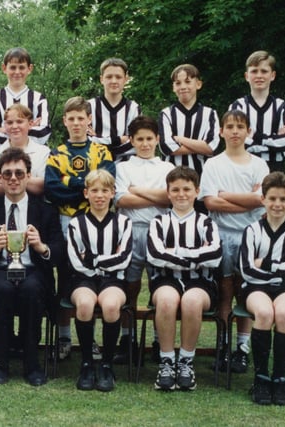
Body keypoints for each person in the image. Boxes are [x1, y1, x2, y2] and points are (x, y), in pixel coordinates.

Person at [0, 148, 63, 386]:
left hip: (34, 271)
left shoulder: (46, 209)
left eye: (19, 173)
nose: (13, 179)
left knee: (31, 290)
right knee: (3, 290)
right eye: (7, 173)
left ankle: (32, 364)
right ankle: (1, 362)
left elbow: (60, 249)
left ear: (29, 176)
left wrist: (41, 247)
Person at [44, 96, 115, 361]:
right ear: (65, 121)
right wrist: (85, 187)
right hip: (67, 220)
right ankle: (64, 337)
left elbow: (106, 183)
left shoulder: (101, 152)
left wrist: (70, 181)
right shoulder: (57, 153)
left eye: (80, 118)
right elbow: (53, 191)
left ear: (89, 121)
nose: (76, 123)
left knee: (95, 276)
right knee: (66, 276)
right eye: (71, 118)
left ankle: (91, 339)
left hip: (98, 222)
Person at [199, 110, 269, 373]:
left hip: (251, 236)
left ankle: (242, 348)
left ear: (248, 131)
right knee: (225, 290)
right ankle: (224, 344)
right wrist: (246, 200)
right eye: (230, 126)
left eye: (240, 126)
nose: (235, 131)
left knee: (245, 291)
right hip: (221, 235)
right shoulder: (214, 164)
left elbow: (261, 199)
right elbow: (210, 202)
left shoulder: (259, 165)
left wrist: (227, 196)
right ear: (221, 131)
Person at [146, 166, 222, 391]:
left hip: (200, 282)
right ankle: (167, 361)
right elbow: (155, 255)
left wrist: (175, 252)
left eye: (187, 189)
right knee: (168, 300)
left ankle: (186, 361)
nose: (181, 194)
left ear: (197, 191)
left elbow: (215, 256)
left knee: (191, 301)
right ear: (168, 193)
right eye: (175, 189)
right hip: (165, 280)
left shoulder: (207, 222)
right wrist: (196, 254)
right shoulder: (158, 222)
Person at [240, 172, 285, 406]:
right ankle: (260, 378)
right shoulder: (252, 230)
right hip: (255, 288)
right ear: (263, 200)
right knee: (265, 313)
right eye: (272, 199)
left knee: (284, 313)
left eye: (282, 199)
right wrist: (283, 273)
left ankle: (279, 377)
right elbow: (247, 270)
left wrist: (267, 264)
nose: (277, 204)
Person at [113, 115, 174, 364]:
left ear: (157, 139)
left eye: (149, 139)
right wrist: (154, 196)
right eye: (140, 139)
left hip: (161, 230)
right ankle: (128, 338)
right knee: (130, 284)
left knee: (159, 284)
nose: (145, 144)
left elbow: (169, 198)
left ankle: (160, 340)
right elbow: (121, 200)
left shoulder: (167, 168)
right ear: (132, 141)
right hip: (130, 228)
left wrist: (136, 190)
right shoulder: (123, 167)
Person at [67, 169, 132, 392]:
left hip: (114, 279)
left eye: (105, 190)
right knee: (85, 304)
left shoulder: (124, 223)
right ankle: (86, 363)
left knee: (111, 306)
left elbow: (123, 259)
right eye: (94, 190)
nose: (100, 195)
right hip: (82, 279)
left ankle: (106, 364)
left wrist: (93, 258)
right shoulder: (76, 223)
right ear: (86, 193)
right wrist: (106, 259)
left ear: (113, 193)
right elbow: (76, 260)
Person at [229, 50, 285, 172]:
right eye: (254, 71)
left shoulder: (282, 106)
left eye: (264, 71)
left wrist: (255, 137)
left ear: (273, 75)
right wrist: (274, 139)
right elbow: (235, 141)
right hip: (244, 169)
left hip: (275, 170)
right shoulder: (237, 106)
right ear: (247, 76)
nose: (259, 76)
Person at [158, 64, 219, 180]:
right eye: (178, 83)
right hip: (172, 177)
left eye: (187, 81)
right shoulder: (166, 113)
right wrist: (201, 146)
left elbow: (212, 147)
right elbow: (166, 147)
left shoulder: (210, 113)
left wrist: (180, 139)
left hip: (203, 176)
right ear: (173, 87)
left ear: (198, 84)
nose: (183, 86)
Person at [0, 47, 51, 147]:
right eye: (13, 67)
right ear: (4, 68)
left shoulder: (39, 99)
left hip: (33, 157)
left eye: (22, 67)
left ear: (29, 68)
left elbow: (43, 133)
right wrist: (28, 128)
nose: (17, 72)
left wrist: (3, 129)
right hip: (1, 158)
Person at [0, 104, 50, 197]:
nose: (14, 126)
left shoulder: (43, 152)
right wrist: (28, 181)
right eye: (9, 122)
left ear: (30, 124)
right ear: (5, 125)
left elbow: (44, 186)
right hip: (2, 208)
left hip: (35, 207)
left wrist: (7, 179)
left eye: (19, 121)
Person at [88, 58, 141, 163]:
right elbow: (85, 141)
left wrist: (99, 139)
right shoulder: (89, 106)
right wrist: (119, 139)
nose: (114, 81)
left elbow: (134, 144)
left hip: (126, 169)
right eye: (109, 77)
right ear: (101, 79)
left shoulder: (133, 108)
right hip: (94, 168)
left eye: (118, 77)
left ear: (125, 79)